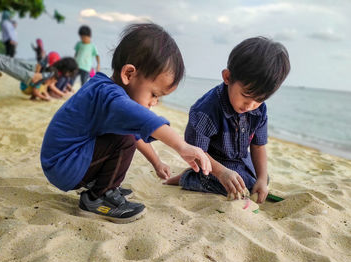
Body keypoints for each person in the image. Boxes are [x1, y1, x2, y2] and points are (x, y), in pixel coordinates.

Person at [40, 23, 211, 223]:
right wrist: (182, 146)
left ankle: (105, 185)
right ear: (129, 74)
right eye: (154, 94)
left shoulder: (104, 90)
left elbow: (137, 134)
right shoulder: (111, 97)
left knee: (126, 136)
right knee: (124, 140)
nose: (154, 102)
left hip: (63, 162)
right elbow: (146, 123)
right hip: (65, 165)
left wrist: (157, 163)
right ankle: (97, 197)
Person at [165, 37, 290, 204]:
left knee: (262, 179)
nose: (250, 105)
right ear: (227, 77)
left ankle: (248, 178)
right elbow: (194, 152)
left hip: (240, 160)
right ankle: (189, 177)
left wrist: (260, 178)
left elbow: (258, 145)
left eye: (259, 99)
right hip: (210, 161)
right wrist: (222, 172)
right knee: (238, 184)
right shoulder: (206, 110)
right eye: (246, 95)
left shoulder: (259, 109)